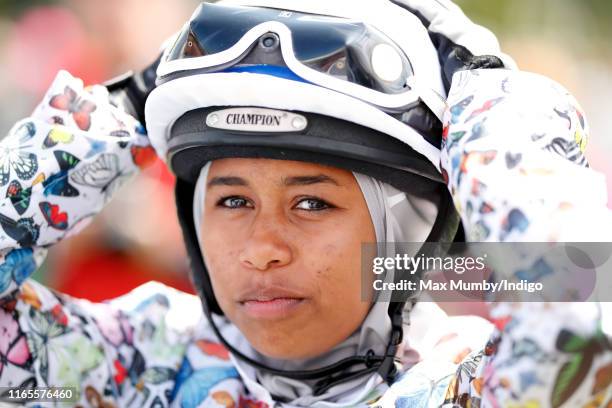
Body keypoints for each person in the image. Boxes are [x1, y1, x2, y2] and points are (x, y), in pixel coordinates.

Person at [0, 0, 610, 407]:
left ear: (409, 233)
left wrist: (492, 95)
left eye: (312, 204)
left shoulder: (466, 386)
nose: (262, 249)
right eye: (233, 200)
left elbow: (581, 316)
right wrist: (124, 106)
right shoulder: (144, 367)